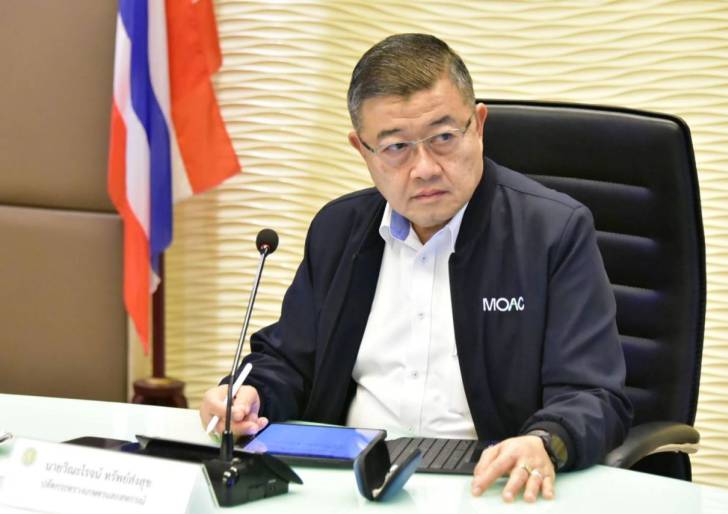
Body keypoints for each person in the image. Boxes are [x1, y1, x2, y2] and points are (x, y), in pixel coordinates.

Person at [200, 33, 632, 503]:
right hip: (347, 487)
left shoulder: (552, 232)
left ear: (478, 126)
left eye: (443, 138)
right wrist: (250, 395)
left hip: (491, 488)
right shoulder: (339, 230)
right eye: (396, 147)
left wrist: (544, 440)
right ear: (362, 150)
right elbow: (288, 361)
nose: (424, 168)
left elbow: (593, 396)